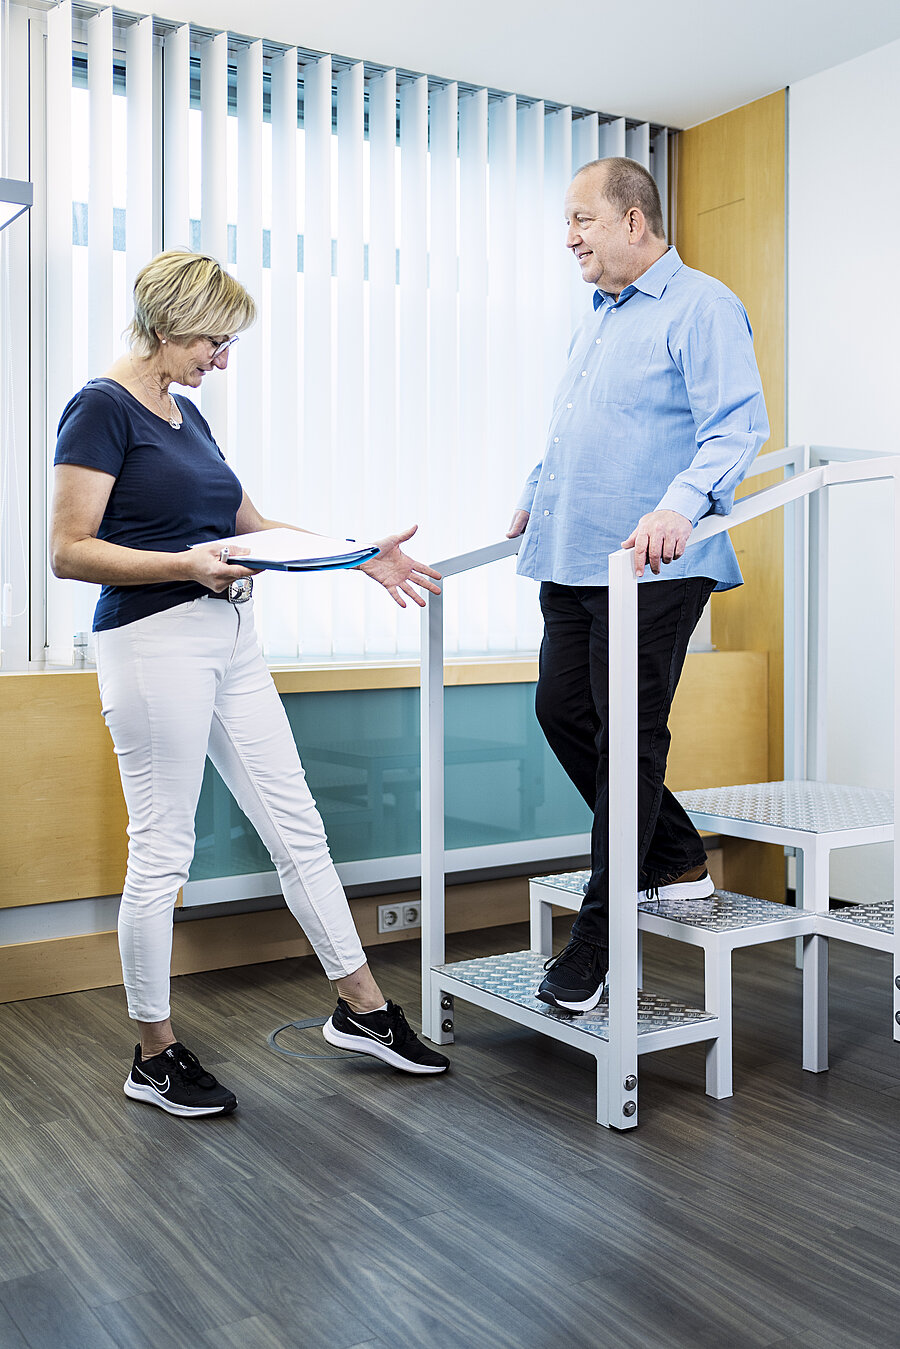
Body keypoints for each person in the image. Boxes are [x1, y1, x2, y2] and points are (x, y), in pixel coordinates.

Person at [50, 249, 449, 1118]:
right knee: (164, 849)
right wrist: (184, 565)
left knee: (298, 825)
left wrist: (356, 555)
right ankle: (153, 1054)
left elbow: (252, 527)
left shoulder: (184, 414)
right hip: (155, 642)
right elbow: (68, 549)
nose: (221, 360)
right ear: (163, 321)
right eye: (212, 341)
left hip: (232, 635)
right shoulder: (100, 408)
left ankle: (364, 1009)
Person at [507, 158, 769, 1013]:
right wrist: (536, 492)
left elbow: (737, 425)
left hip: (652, 562)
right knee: (560, 710)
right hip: (571, 551)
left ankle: (600, 936)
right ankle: (674, 851)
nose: (569, 238)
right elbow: (580, 429)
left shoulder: (703, 305)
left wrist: (679, 505)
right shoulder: (596, 319)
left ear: (633, 221)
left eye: (582, 220)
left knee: (629, 734)